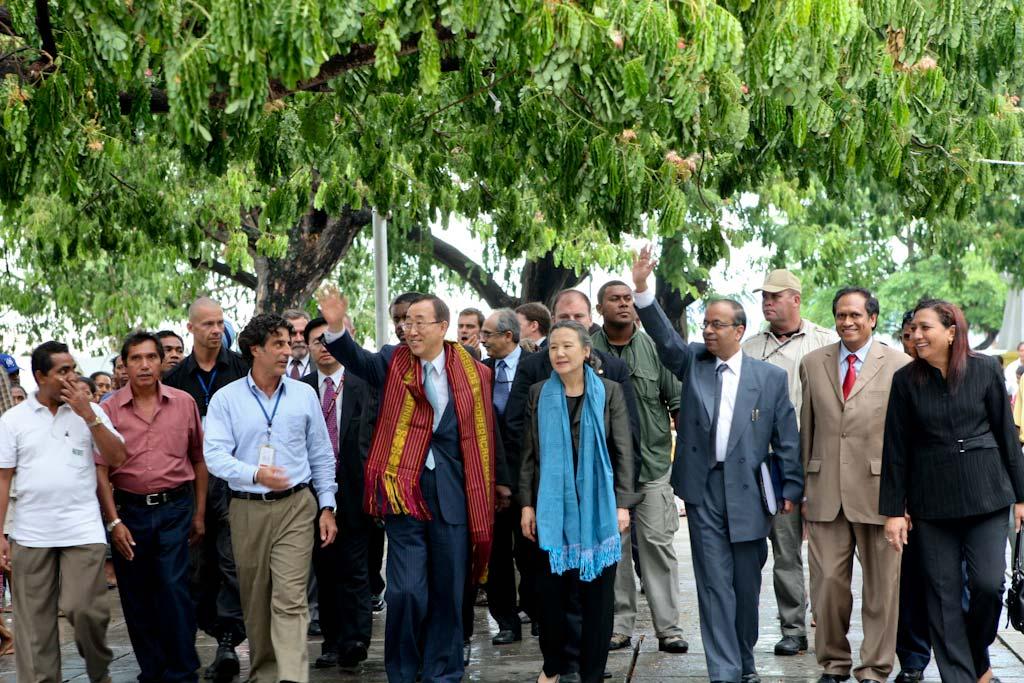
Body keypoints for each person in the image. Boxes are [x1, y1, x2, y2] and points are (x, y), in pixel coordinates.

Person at [632, 247, 803, 683]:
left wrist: (791, 490)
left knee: (745, 586)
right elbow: (665, 338)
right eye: (706, 323)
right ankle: (724, 672)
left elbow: (787, 439)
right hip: (704, 490)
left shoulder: (770, 379)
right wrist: (642, 289)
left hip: (750, 492)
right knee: (713, 585)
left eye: (717, 324)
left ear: (739, 330)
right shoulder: (694, 361)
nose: (708, 330)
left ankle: (744, 662)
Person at [316, 285, 499, 683]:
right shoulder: (391, 361)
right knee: (406, 592)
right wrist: (336, 327)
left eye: (419, 322)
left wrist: (495, 484)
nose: (409, 330)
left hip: (453, 493)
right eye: (405, 323)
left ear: (442, 327)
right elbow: (356, 359)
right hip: (404, 491)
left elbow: (486, 432)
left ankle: (442, 672)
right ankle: (402, 670)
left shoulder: (474, 371)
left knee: (449, 592)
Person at [881, 299, 1024, 683]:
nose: (916, 335)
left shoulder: (985, 369)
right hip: (931, 504)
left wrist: (1021, 496)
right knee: (943, 597)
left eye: (925, 327)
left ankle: (977, 658)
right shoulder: (905, 381)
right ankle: (961, 676)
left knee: (988, 585)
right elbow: (895, 448)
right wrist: (894, 511)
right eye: (913, 329)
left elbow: (1006, 434)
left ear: (951, 332)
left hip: (986, 495)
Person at [204, 313, 338, 683]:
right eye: (278, 344)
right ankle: (265, 673)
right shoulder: (226, 399)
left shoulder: (304, 394)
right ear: (255, 349)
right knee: (256, 601)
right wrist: (255, 474)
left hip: (297, 505)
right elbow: (214, 456)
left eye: (288, 343)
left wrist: (327, 505)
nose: (287, 351)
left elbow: (321, 454)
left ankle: (292, 677)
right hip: (247, 508)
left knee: (291, 598)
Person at [799, 288, 911, 683]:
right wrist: (803, 489)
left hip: (882, 494)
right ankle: (833, 664)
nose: (847, 322)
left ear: (873, 319)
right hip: (825, 492)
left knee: (882, 589)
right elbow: (807, 428)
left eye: (855, 315)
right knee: (827, 583)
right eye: (841, 315)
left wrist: (905, 500)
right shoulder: (813, 363)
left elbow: (907, 438)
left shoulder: (899, 364)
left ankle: (875, 669)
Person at [519, 320, 639, 683]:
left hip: (599, 510)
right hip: (551, 510)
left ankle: (592, 674)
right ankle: (554, 666)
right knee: (550, 597)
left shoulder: (609, 392)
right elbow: (528, 455)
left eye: (567, 346)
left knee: (598, 601)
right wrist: (526, 505)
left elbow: (624, 451)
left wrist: (622, 505)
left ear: (586, 351)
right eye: (554, 347)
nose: (559, 353)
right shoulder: (539, 393)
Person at [0, 341, 127, 683]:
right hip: (30, 534)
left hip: (82, 531)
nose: (72, 377)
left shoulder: (90, 411)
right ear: (40, 376)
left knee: (84, 610)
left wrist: (89, 416)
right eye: (63, 371)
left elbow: (117, 458)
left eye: (73, 369)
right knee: (35, 629)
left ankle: (99, 670)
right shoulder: (14, 420)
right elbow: (2, 479)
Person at [95, 331, 208, 683]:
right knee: (137, 595)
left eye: (151, 357)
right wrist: (114, 522)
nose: (144, 365)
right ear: (124, 365)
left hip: (176, 508)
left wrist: (199, 513)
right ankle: (153, 670)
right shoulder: (108, 410)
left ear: (160, 362)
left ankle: (183, 670)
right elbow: (100, 470)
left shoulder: (183, 403)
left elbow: (199, 459)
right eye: (136, 358)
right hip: (130, 513)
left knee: (174, 588)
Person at [741, 269, 835, 656]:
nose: (768, 302)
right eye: (764, 296)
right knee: (770, 548)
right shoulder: (748, 347)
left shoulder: (824, 342)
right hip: (759, 462)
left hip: (809, 459)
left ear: (796, 299)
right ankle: (787, 629)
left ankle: (816, 625)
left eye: (775, 296)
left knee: (805, 550)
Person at [591, 280, 689, 654]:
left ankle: (669, 629)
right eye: (614, 299)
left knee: (657, 547)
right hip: (605, 472)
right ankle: (618, 626)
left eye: (628, 298)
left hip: (652, 467)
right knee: (613, 552)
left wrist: (683, 466)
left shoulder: (654, 348)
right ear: (600, 309)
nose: (623, 304)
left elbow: (677, 405)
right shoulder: (587, 350)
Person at [163, 296, 249, 681]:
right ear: (191, 328)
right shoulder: (175, 379)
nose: (216, 330)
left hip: (234, 482)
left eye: (220, 322)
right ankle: (213, 631)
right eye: (208, 324)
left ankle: (229, 641)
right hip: (191, 483)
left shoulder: (242, 369)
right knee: (197, 570)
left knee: (233, 563)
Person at [301, 316, 374, 670]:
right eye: (317, 341)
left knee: (356, 568)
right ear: (308, 347)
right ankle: (331, 642)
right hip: (314, 491)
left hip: (357, 490)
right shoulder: (299, 389)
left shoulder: (364, 383)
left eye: (330, 340)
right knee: (325, 568)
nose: (325, 347)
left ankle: (356, 640)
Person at [476, 309, 529, 645]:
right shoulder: (482, 371)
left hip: (530, 476)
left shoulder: (535, 367)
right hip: (491, 477)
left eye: (488, 334)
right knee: (496, 555)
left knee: (531, 553)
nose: (482, 340)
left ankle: (537, 612)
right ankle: (506, 621)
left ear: (508, 336)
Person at [283, 309, 312, 379]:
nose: (299, 339)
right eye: (293, 333)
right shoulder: (271, 365)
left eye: (303, 333)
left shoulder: (322, 365)